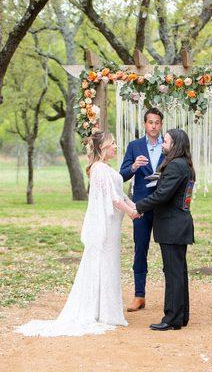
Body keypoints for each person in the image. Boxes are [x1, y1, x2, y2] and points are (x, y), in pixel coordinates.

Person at [15, 131, 140, 337]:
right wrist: (133, 212)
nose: (116, 147)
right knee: (104, 262)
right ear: (102, 148)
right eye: (112, 143)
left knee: (109, 263)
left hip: (113, 225)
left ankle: (105, 308)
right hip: (106, 227)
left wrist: (136, 206)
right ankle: (102, 311)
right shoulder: (99, 169)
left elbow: (121, 194)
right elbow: (113, 199)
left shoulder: (106, 168)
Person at [134, 129, 195, 331]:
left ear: (175, 144)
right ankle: (181, 315)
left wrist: (138, 206)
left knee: (173, 273)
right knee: (178, 272)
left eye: (166, 141)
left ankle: (172, 318)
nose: (162, 144)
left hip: (173, 225)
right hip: (177, 224)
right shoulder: (183, 164)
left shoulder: (176, 166)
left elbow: (162, 195)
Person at [120, 108, 164, 312]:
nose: (153, 126)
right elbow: (122, 175)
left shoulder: (169, 145)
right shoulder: (134, 146)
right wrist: (135, 167)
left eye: (157, 122)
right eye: (150, 122)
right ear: (145, 124)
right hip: (141, 206)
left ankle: (171, 295)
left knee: (168, 250)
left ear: (161, 124)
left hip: (165, 205)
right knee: (140, 249)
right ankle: (139, 295)